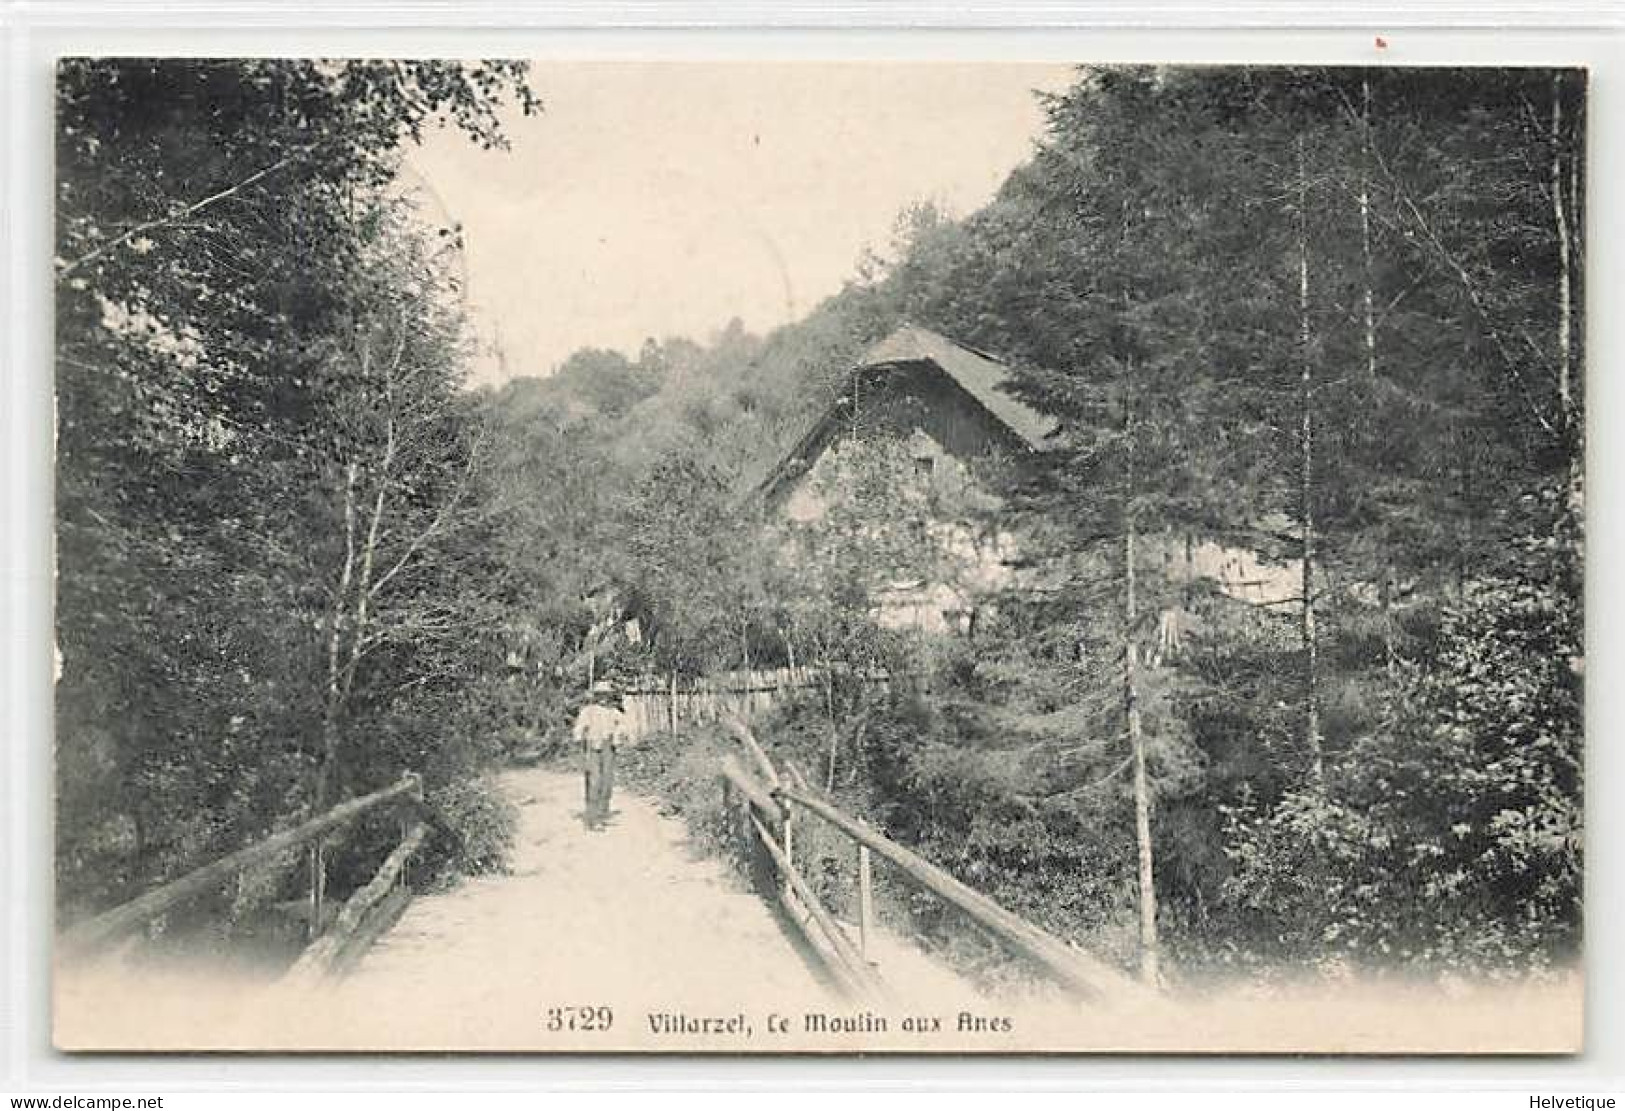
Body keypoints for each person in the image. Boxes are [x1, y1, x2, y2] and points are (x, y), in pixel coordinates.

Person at [573, 680, 626, 830]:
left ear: (610, 696)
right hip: (592, 746)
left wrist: (617, 734)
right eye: (600, 695)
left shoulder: (613, 711)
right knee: (594, 780)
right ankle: (593, 817)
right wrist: (579, 737)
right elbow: (579, 727)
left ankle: (603, 814)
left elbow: (623, 725)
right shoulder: (588, 711)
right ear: (595, 696)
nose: (603, 698)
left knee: (607, 781)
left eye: (606, 695)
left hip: (608, 747)